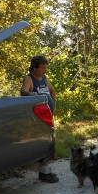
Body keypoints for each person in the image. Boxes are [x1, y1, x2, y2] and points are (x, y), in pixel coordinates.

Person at [21, 55, 59, 183]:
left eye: (46, 68)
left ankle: (45, 172)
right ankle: (43, 173)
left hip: (47, 118)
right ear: (34, 68)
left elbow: (52, 90)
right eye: (43, 68)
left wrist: (53, 108)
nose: (45, 70)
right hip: (37, 119)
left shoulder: (44, 78)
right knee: (42, 144)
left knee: (49, 144)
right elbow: (24, 91)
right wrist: (31, 94)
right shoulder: (29, 78)